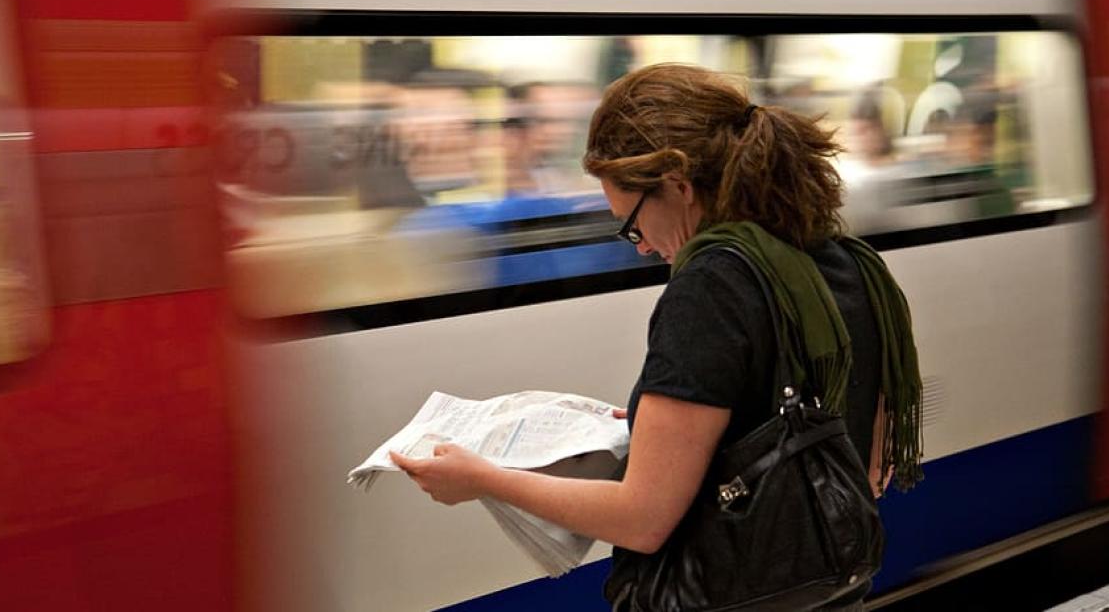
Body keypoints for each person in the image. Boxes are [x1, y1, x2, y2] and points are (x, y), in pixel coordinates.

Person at [391, 63, 923, 611]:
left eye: (631, 223)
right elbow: (868, 465)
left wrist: (483, 480)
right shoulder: (848, 263)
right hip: (833, 591)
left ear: (677, 184)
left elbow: (642, 521)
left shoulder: (712, 288)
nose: (640, 245)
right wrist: (664, 427)